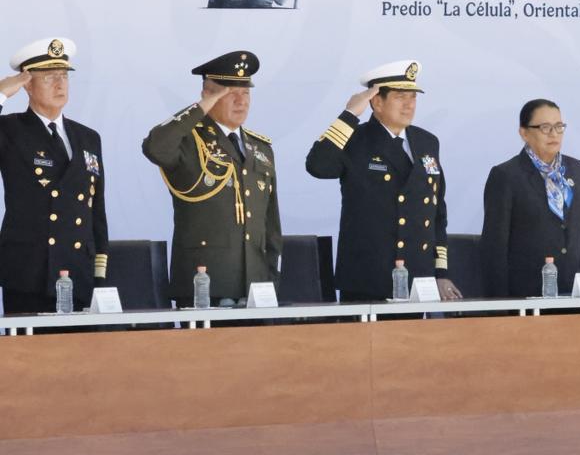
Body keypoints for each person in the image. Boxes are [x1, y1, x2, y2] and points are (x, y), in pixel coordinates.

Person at [305, 60, 461, 301]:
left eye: (413, 97)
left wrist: (440, 272)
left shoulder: (427, 142)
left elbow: (437, 213)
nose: (409, 105)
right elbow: (318, 166)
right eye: (400, 97)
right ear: (377, 102)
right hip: (368, 278)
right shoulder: (355, 139)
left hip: (418, 279)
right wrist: (349, 115)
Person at [142, 51, 282, 305]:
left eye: (246, 93)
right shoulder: (188, 140)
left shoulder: (260, 148)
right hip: (205, 285)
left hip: (255, 287)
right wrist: (200, 109)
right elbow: (155, 147)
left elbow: (270, 225)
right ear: (208, 95)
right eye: (230, 93)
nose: (241, 101)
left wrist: (270, 280)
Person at [0, 38, 108, 313]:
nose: (60, 85)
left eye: (64, 76)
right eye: (49, 78)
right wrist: (1, 93)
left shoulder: (88, 137)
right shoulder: (11, 130)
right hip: (30, 273)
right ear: (27, 85)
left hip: (79, 271)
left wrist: (99, 274)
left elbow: (96, 211)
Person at [480, 99, 580, 298]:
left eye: (559, 127)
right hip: (525, 295)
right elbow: (495, 247)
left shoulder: (576, 168)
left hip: (572, 292)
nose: (554, 134)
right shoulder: (506, 175)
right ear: (524, 133)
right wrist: (499, 305)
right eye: (545, 127)